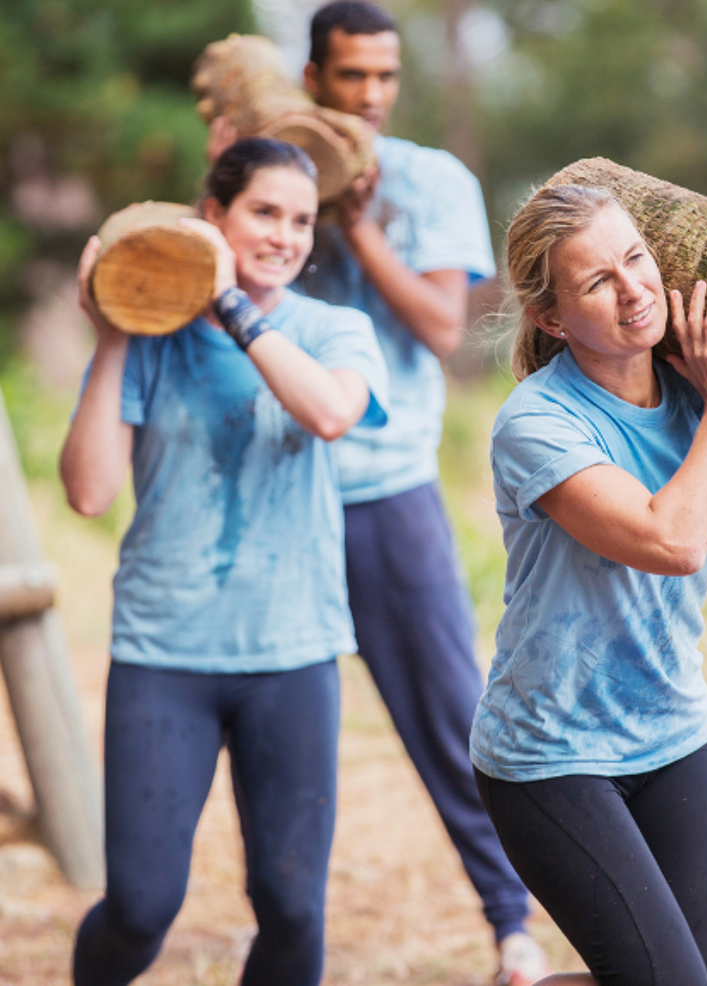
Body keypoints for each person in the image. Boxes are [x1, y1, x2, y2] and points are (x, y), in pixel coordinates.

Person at [210, 3, 543, 978]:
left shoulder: (432, 180)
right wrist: (230, 171)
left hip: (382, 490)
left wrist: (360, 229)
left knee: (451, 716)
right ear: (311, 78)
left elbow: (444, 325)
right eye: (349, 77)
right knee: (255, 721)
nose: (368, 97)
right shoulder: (275, 182)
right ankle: (280, 927)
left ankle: (511, 921)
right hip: (272, 491)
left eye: (383, 78)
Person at [470, 184, 707, 986]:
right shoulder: (539, 424)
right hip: (550, 754)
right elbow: (674, 540)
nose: (634, 291)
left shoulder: (698, 397)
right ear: (552, 317)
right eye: (598, 282)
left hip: (672, 733)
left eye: (637, 261)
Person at [59, 138, 389, 985]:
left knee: (291, 909)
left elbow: (327, 414)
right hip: (163, 654)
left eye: (302, 221)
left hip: (292, 656)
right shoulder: (150, 342)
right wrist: (111, 335)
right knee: (139, 908)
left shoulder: (333, 329)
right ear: (214, 217)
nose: (285, 235)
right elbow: (90, 493)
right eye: (263, 213)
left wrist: (234, 305)